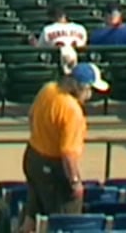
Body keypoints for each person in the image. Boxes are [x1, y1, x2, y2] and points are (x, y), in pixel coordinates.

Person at [18, 63, 109, 232]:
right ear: (82, 88)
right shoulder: (72, 111)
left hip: (32, 157)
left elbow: (31, 117)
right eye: (90, 90)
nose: (90, 95)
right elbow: (68, 154)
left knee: (33, 209)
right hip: (54, 168)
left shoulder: (48, 89)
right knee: (66, 219)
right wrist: (75, 183)